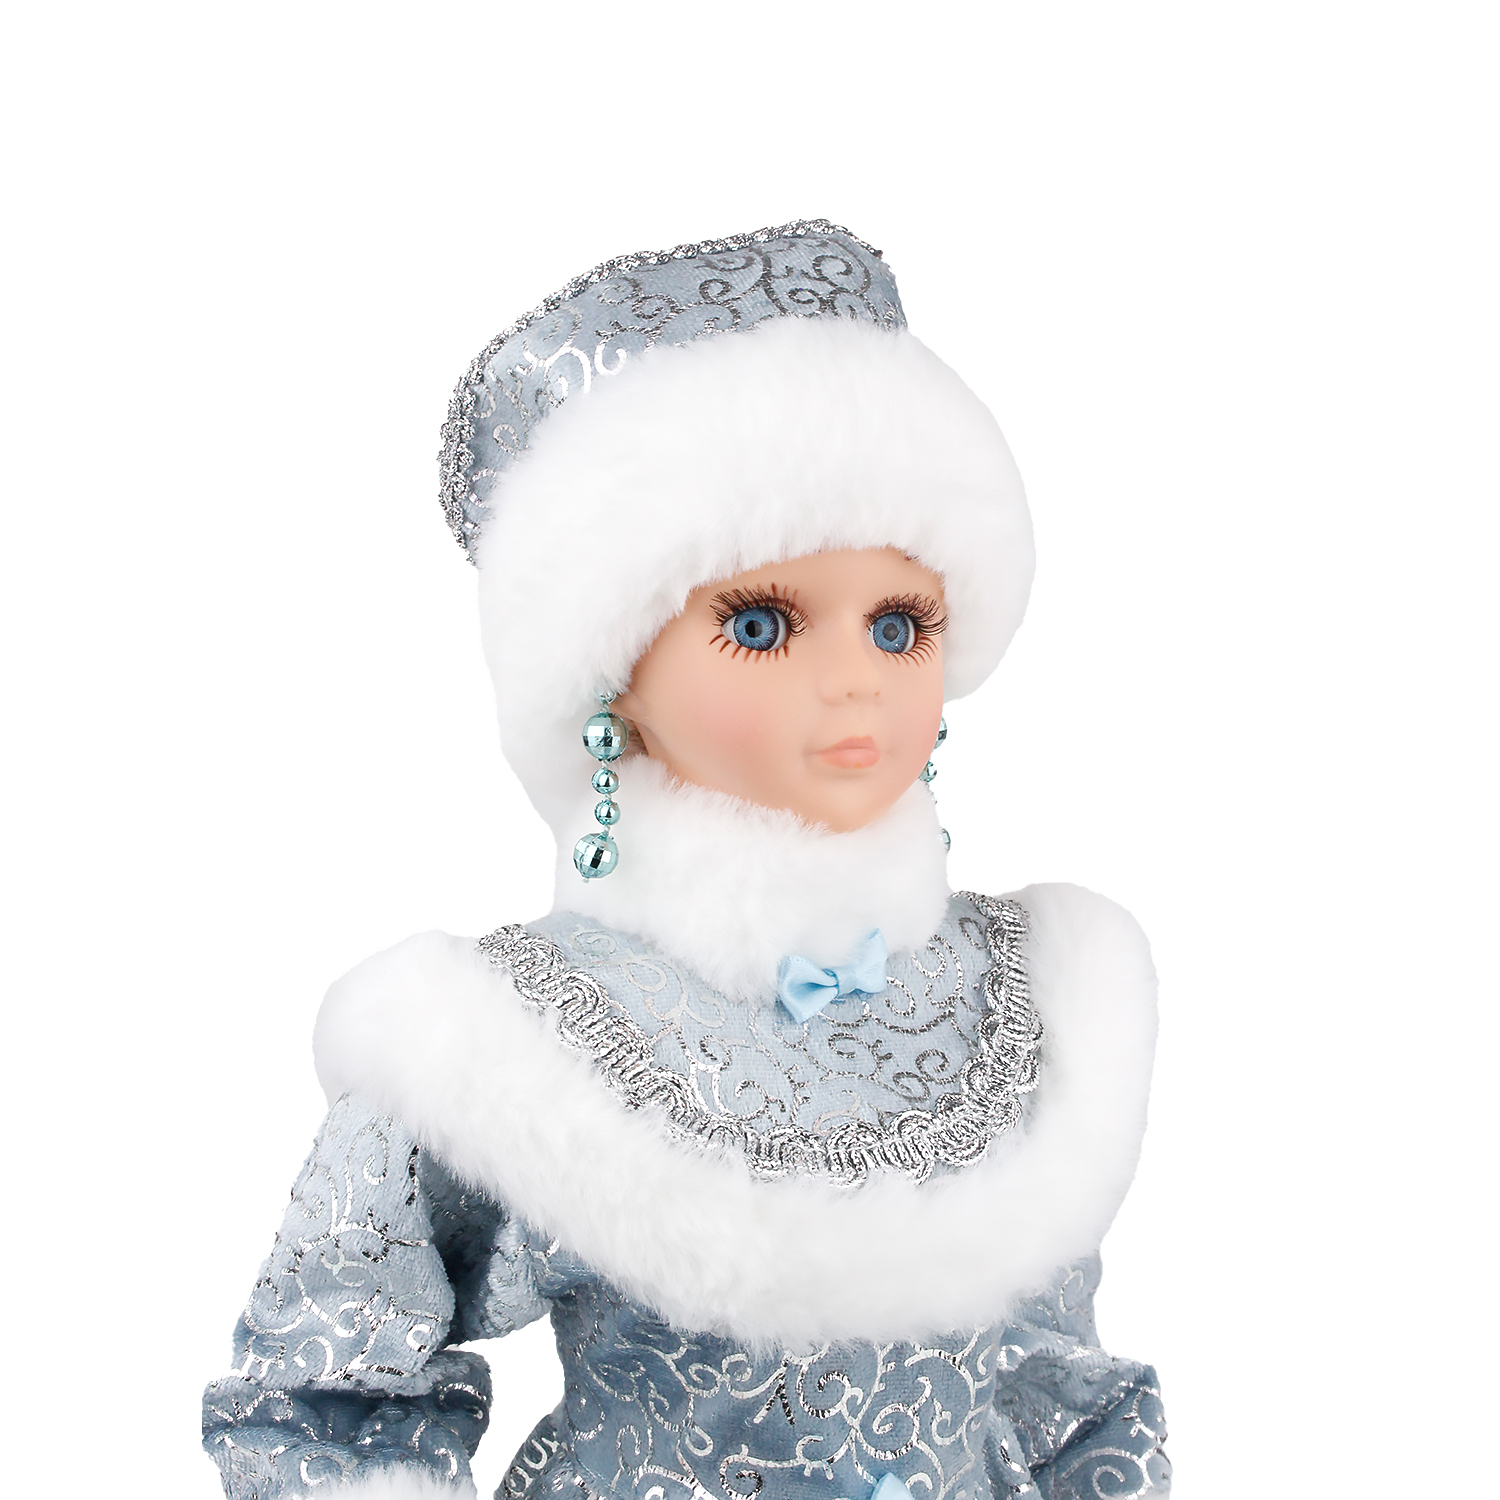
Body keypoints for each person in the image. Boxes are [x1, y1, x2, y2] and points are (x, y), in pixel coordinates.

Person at [203, 221, 1170, 1500]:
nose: (855, 681)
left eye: (899, 624)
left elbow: (1061, 1393)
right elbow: (323, 1394)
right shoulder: (495, 1039)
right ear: (612, 675)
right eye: (760, 625)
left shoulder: (1031, 1002)